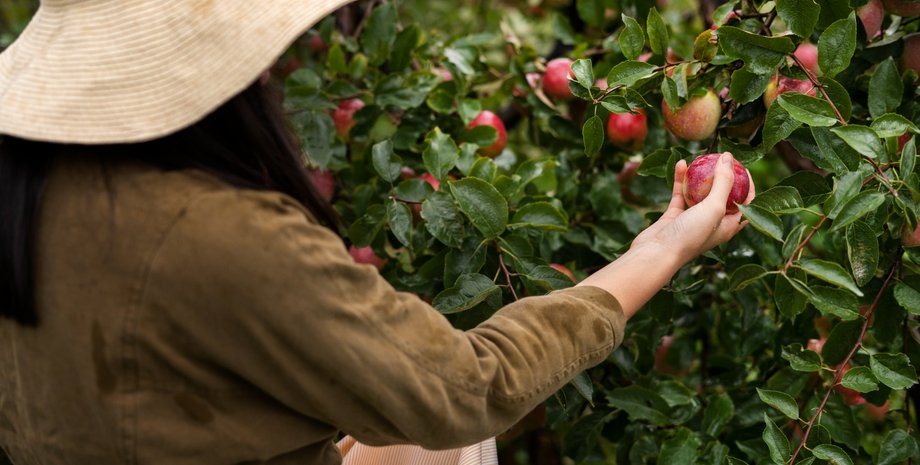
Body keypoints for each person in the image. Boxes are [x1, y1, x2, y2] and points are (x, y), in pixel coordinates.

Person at [0, 1, 753, 464]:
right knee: (457, 435)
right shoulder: (222, 234)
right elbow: (468, 388)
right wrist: (659, 249)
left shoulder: (26, 187)